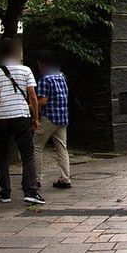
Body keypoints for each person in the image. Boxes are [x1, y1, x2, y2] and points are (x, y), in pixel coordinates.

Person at [0, 38, 45, 205]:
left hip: (3, 118)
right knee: (27, 154)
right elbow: (32, 95)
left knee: (2, 156)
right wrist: (35, 117)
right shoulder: (26, 70)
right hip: (21, 116)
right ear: (15, 52)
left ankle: (5, 193)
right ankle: (30, 191)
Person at [33, 49, 71, 190]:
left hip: (49, 117)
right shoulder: (62, 76)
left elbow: (42, 101)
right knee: (62, 148)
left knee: (36, 147)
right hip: (62, 117)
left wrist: (33, 109)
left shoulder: (45, 79)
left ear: (42, 64)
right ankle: (65, 178)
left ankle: (36, 179)